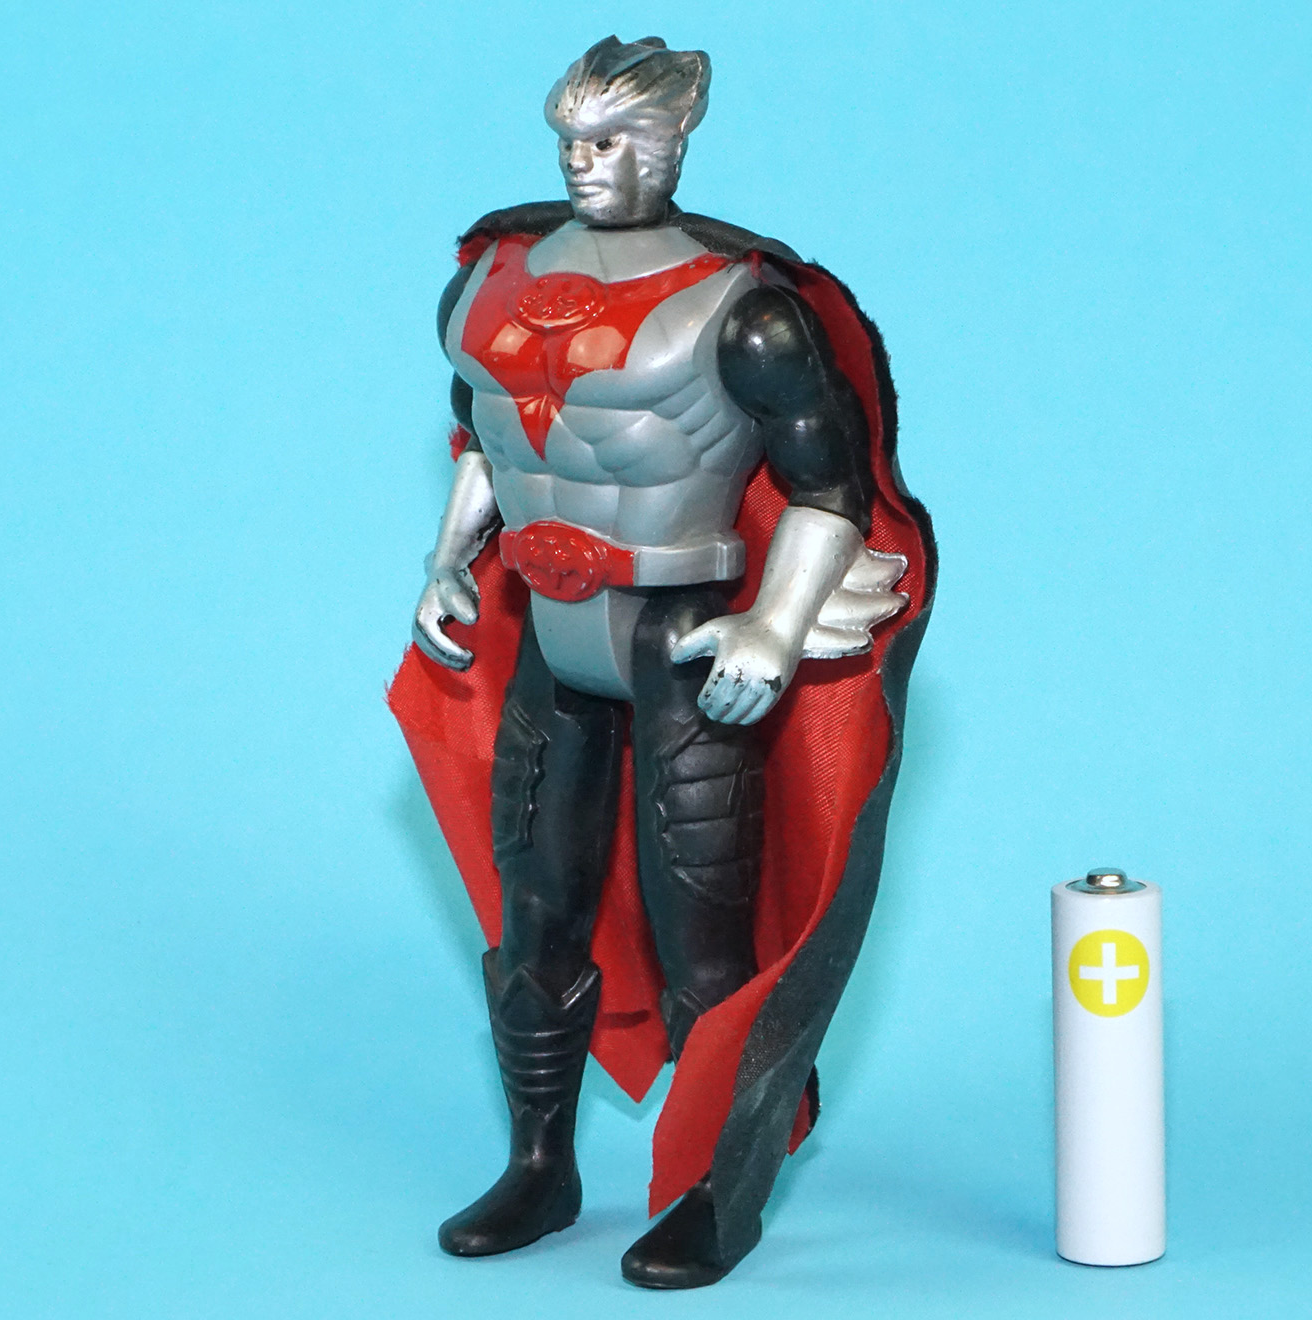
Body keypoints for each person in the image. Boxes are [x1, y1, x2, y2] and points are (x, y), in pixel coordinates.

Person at [390, 34, 935, 1288]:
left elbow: (830, 489)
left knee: (704, 933)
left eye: (612, 141)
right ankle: (540, 1164)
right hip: (550, 632)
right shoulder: (485, 285)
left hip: (680, 635)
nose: (584, 164)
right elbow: (484, 445)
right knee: (537, 909)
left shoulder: (745, 311)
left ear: (674, 140)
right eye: (570, 141)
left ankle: (707, 1187)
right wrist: (445, 562)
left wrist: (774, 624)